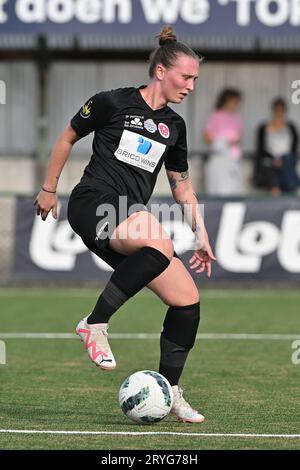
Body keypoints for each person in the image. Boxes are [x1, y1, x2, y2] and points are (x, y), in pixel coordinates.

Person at [34, 26, 216, 424]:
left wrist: (200, 233)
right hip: (92, 203)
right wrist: (49, 189)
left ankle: (170, 391)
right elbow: (67, 137)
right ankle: (94, 324)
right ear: (161, 70)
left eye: (195, 79)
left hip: (125, 220)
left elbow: (181, 185)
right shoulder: (112, 102)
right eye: (186, 77)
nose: (191, 86)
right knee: (160, 243)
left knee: (186, 300)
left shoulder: (174, 127)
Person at [254, 97, 299, 196]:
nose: (279, 113)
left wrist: (283, 159)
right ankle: (291, 185)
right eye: (277, 110)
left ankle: (289, 187)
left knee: (286, 163)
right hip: (269, 161)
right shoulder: (264, 127)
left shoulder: (290, 127)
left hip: (287, 160)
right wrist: (274, 159)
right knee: (272, 170)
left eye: (281, 110)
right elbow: (261, 148)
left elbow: (294, 147)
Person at [204, 88, 243, 195]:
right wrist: (222, 141)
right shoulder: (216, 116)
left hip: (233, 159)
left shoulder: (236, 118)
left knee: (233, 189)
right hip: (219, 158)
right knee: (220, 189)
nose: (236, 105)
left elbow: (239, 137)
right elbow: (207, 137)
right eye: (234, 101)